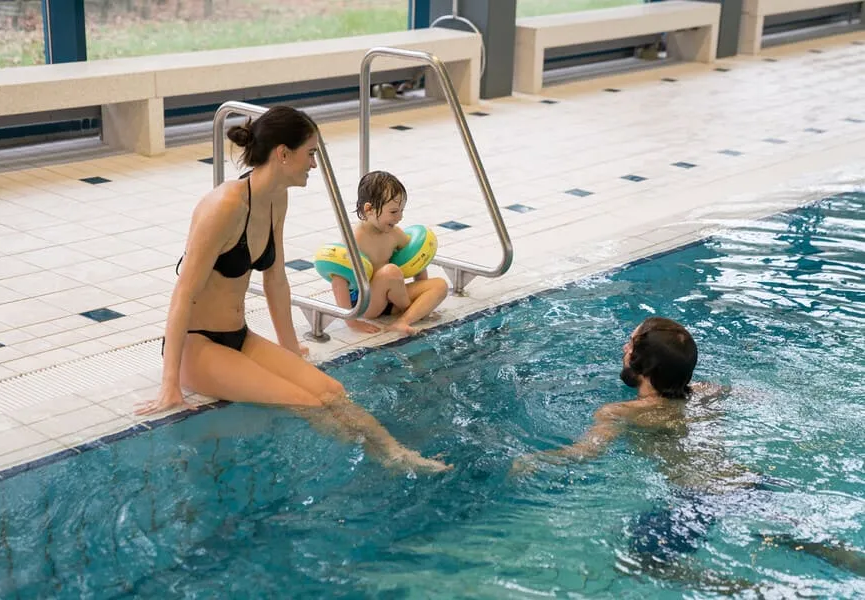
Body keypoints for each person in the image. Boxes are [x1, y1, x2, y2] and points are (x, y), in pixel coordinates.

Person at [135, 106, 449, 474]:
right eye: (311, 153)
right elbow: (183, 294)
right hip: (197, 344)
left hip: (240, 336)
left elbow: (276, 280)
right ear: (283, 153)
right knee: (305, 402)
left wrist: (288, 350)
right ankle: (379, 467)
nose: (314, 164)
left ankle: (398, 454)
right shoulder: (224, 205)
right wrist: (169, 384)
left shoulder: (275, 199)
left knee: (332, 391)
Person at [513, 316, 864, 588]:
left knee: (643, 561)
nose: (624, 346)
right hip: (747, 482)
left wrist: (535, 459)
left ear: (641, 364)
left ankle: (755, 590)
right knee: (820, 544)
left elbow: (586, 453)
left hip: (698, 498)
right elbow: (757, 396)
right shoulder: (708, 391)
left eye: (630, 343)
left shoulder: (621, 413)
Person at [331, 170, 448, 336]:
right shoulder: (355, 239)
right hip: (367, 302)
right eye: (394, 212)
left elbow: (416, 260)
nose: (399, 217)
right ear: (369, 209)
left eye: (401, 210)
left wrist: (422, 290)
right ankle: (413, 310)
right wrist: (352, 321)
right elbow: (338, 281)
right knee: (389, 272)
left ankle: (403, 321)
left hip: (394, 297)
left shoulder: (394, 234)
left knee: (440, 285)